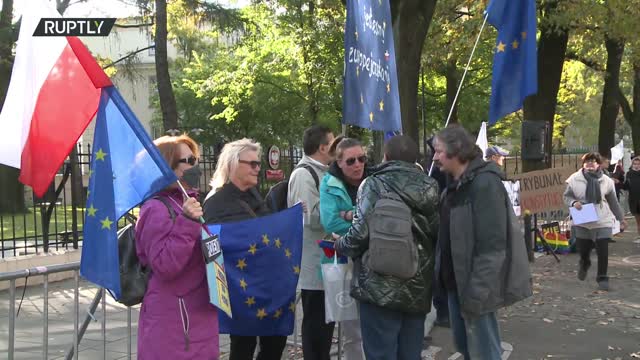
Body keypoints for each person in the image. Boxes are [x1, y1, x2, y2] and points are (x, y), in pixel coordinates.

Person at [334, 135, 439, 360]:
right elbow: (435, 235)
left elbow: (359, 235)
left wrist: (339, 244)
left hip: (378, 285)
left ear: (386, 157)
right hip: (417, 286)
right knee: (410, 354)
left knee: (380, 353)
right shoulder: (431, 187)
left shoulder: (374, 183)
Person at [432, 127, 532, 359]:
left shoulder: (484, 184)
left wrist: (476, 294)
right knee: (467, 349)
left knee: (483, 353)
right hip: (456, 286)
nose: (435, 157)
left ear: (456, 151)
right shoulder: (454, 187)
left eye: (438, 151)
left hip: (474, 289)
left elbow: (493, 248)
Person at [135, 134, 219, 360]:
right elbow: (164, 265)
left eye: (196, 159)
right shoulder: (155, 209)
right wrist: (188, 222)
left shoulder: (187, 202)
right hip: (174, 321)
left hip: (199, 312)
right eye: (188, 161)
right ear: (166, 167)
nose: (195, 166)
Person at [203, 138, 287, 360]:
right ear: (232, 164)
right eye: (252, 164)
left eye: (258, 164)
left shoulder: (253, 194)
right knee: (243, 346)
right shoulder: (215, 201)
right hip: (239, 288)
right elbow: (213, 249)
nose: (258, 168)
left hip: (266, 284)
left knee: (275, 343)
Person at [286, 125, 336, 360]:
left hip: (327, 259)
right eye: (333, 143)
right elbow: (310, 217)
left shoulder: (324, 171)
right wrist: (341, 213)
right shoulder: (304, 174)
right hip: (313, 262)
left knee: (326, 324)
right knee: (315, 325)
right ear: (323, 147)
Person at [319, 137, 368, 360]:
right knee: (353, 330)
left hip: (373, 260)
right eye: (351, 161)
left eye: (361, 159)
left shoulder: (374, 178)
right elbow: (330, 223)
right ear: (339, 162)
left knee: (375, 326)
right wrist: (362, 219)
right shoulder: (328, 184)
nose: (358, 164)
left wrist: (349, 214)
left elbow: (381, 215)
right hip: (345, 262)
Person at [564, 152, 627, 291]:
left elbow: (613, 202)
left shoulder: (606, 181)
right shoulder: (574, 179)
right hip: (583, 220)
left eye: (593, 161)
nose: (590, 164)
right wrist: (574, 202)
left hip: (602, 219)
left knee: (603, 250)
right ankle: (584, 263)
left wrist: (621, 219)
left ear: (598, 164)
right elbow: (566, 197)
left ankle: (602, 278)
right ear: (583, 164)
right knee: (584, 251)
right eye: (587, 161)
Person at [625, 157, 640, 237]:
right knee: (638, 220)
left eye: (638, 164)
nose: (636, 166)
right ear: (632, 164)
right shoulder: (629, 174)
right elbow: (626, 186)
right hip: (634, 200)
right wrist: (618, 183)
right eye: (635, 164)